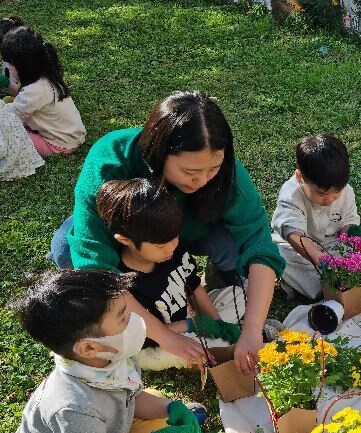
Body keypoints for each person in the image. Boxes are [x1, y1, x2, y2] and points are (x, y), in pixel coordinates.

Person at [48, 91, 285, 374]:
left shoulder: (227, 173)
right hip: (134, 237)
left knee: (230, 249)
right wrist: (164, 335)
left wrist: (252, 331)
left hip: (196, 231)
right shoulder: (111, 160)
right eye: (189, 171)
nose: (202, 180)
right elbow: (96, 266)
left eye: (213, 169)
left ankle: (215, 282)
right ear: (159, 153)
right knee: (67, 250)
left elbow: (259, 244)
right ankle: (133, 301)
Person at [5, 270, 203, 433]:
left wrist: (172, 408)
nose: (135, 320)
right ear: (88, 347)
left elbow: (134, 398)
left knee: (155, 401)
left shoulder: (113, 353)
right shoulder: (71, 405)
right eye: (123, 318)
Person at [96, 178, 249, 370]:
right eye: (160, 245)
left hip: (187, 320)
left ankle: (222, 330)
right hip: (154, 343)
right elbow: (142, 336)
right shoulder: (125, 285)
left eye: (175, 238)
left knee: (240, 295)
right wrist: (193, 325)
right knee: (213, 347)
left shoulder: (171, 249)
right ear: (126, 240)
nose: (171, 248)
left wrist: (217, 322)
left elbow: (193, 284)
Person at [271, 134, 361, 301]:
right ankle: (320, 285)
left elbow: (347, 225)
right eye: (322, 194)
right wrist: (322, 261)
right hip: (295, 248)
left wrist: (355, 241)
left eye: (337, 192)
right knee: (279, 257)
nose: (330, 199)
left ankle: (355, 273)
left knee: (358, 252)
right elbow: (294, 235)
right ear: (300, 177)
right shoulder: (291, 195)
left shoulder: (346, 191)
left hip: (331, 242)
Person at [0, 25, 85, 157]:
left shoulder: (33, 91)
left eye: (10, 64)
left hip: (57, 144)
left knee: (7, 137)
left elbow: (10, 119)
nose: (7, 69)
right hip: (70, 137)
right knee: (9, 103)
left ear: (23, 66)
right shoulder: (46, 78)